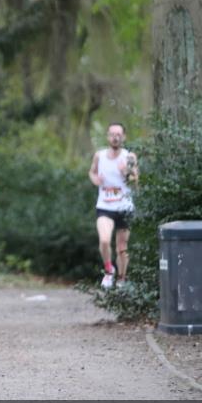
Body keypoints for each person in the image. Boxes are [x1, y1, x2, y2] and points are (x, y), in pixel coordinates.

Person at [88, 122, 138, 289]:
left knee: (122, 248)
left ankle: (122, 279)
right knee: (104, 240)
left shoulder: (129, 157)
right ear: (107, 136)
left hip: (124, 207)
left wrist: (126, 172)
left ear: (123, 137)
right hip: (105, 206)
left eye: (118, 135)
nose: (115, 137)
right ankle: (109, 271)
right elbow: (92, 172)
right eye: (112, 134)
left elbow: (135, 180)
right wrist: (96, 180)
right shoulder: (99, 155)